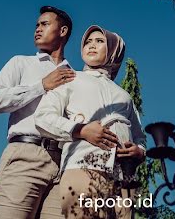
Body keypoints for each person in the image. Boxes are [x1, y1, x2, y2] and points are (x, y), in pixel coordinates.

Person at [34, 25, 146, 219]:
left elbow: (140, 136)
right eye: (87, 41)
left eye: (99, 41)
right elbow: (43, 117)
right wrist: (81, 130)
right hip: (83, 167)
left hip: (124, 178)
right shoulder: (72, 78)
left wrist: (139, 151)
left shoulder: (125, 96)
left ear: (113, 50)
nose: (91, 45)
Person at [0, 6, 77, 219]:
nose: (37, 29)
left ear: (62, 31)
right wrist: (41, 86)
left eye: (45, 24)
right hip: (26, 156)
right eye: (37, 25)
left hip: (63, 165)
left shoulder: (76, 76)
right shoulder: (21, 63)